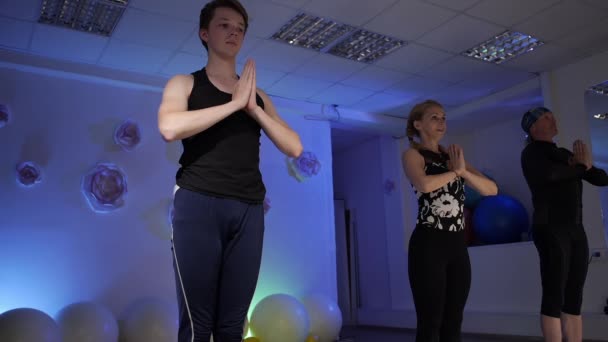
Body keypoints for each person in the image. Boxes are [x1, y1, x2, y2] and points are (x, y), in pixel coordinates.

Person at [157, 0, 303, 340]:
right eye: (224, 25)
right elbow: (169, 127)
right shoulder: (185, 83)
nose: (234, 31)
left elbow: (294, 146)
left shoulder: (258, 95)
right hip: (198, 202)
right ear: (204, 33)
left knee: (233, 325)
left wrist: (253, 108)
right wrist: (233, 104)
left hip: (248, 208)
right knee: (197, 324)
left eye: (239, 27)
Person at [402, 99, 497, 341]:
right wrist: (455, 172)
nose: (441, 122)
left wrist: (463, 171)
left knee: (454, 320)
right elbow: (424, 185)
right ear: (418, 124)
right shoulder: (413, 155)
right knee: (430, 320)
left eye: (443, 117)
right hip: (428, 243)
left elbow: (491, 190)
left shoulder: (452, 157)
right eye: (434, 117)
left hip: (456, 245)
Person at [520, 107, 608, 342]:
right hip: (550, 228)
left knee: (574, 295)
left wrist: (586, 166)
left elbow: (601, 179)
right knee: (554, 294)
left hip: (575, 229)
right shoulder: (531, 153)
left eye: (552, 115)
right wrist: (579, 167)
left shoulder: (564, 154)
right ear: (533, 127)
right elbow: (551, 175)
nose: (553, 119)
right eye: (545, 117)